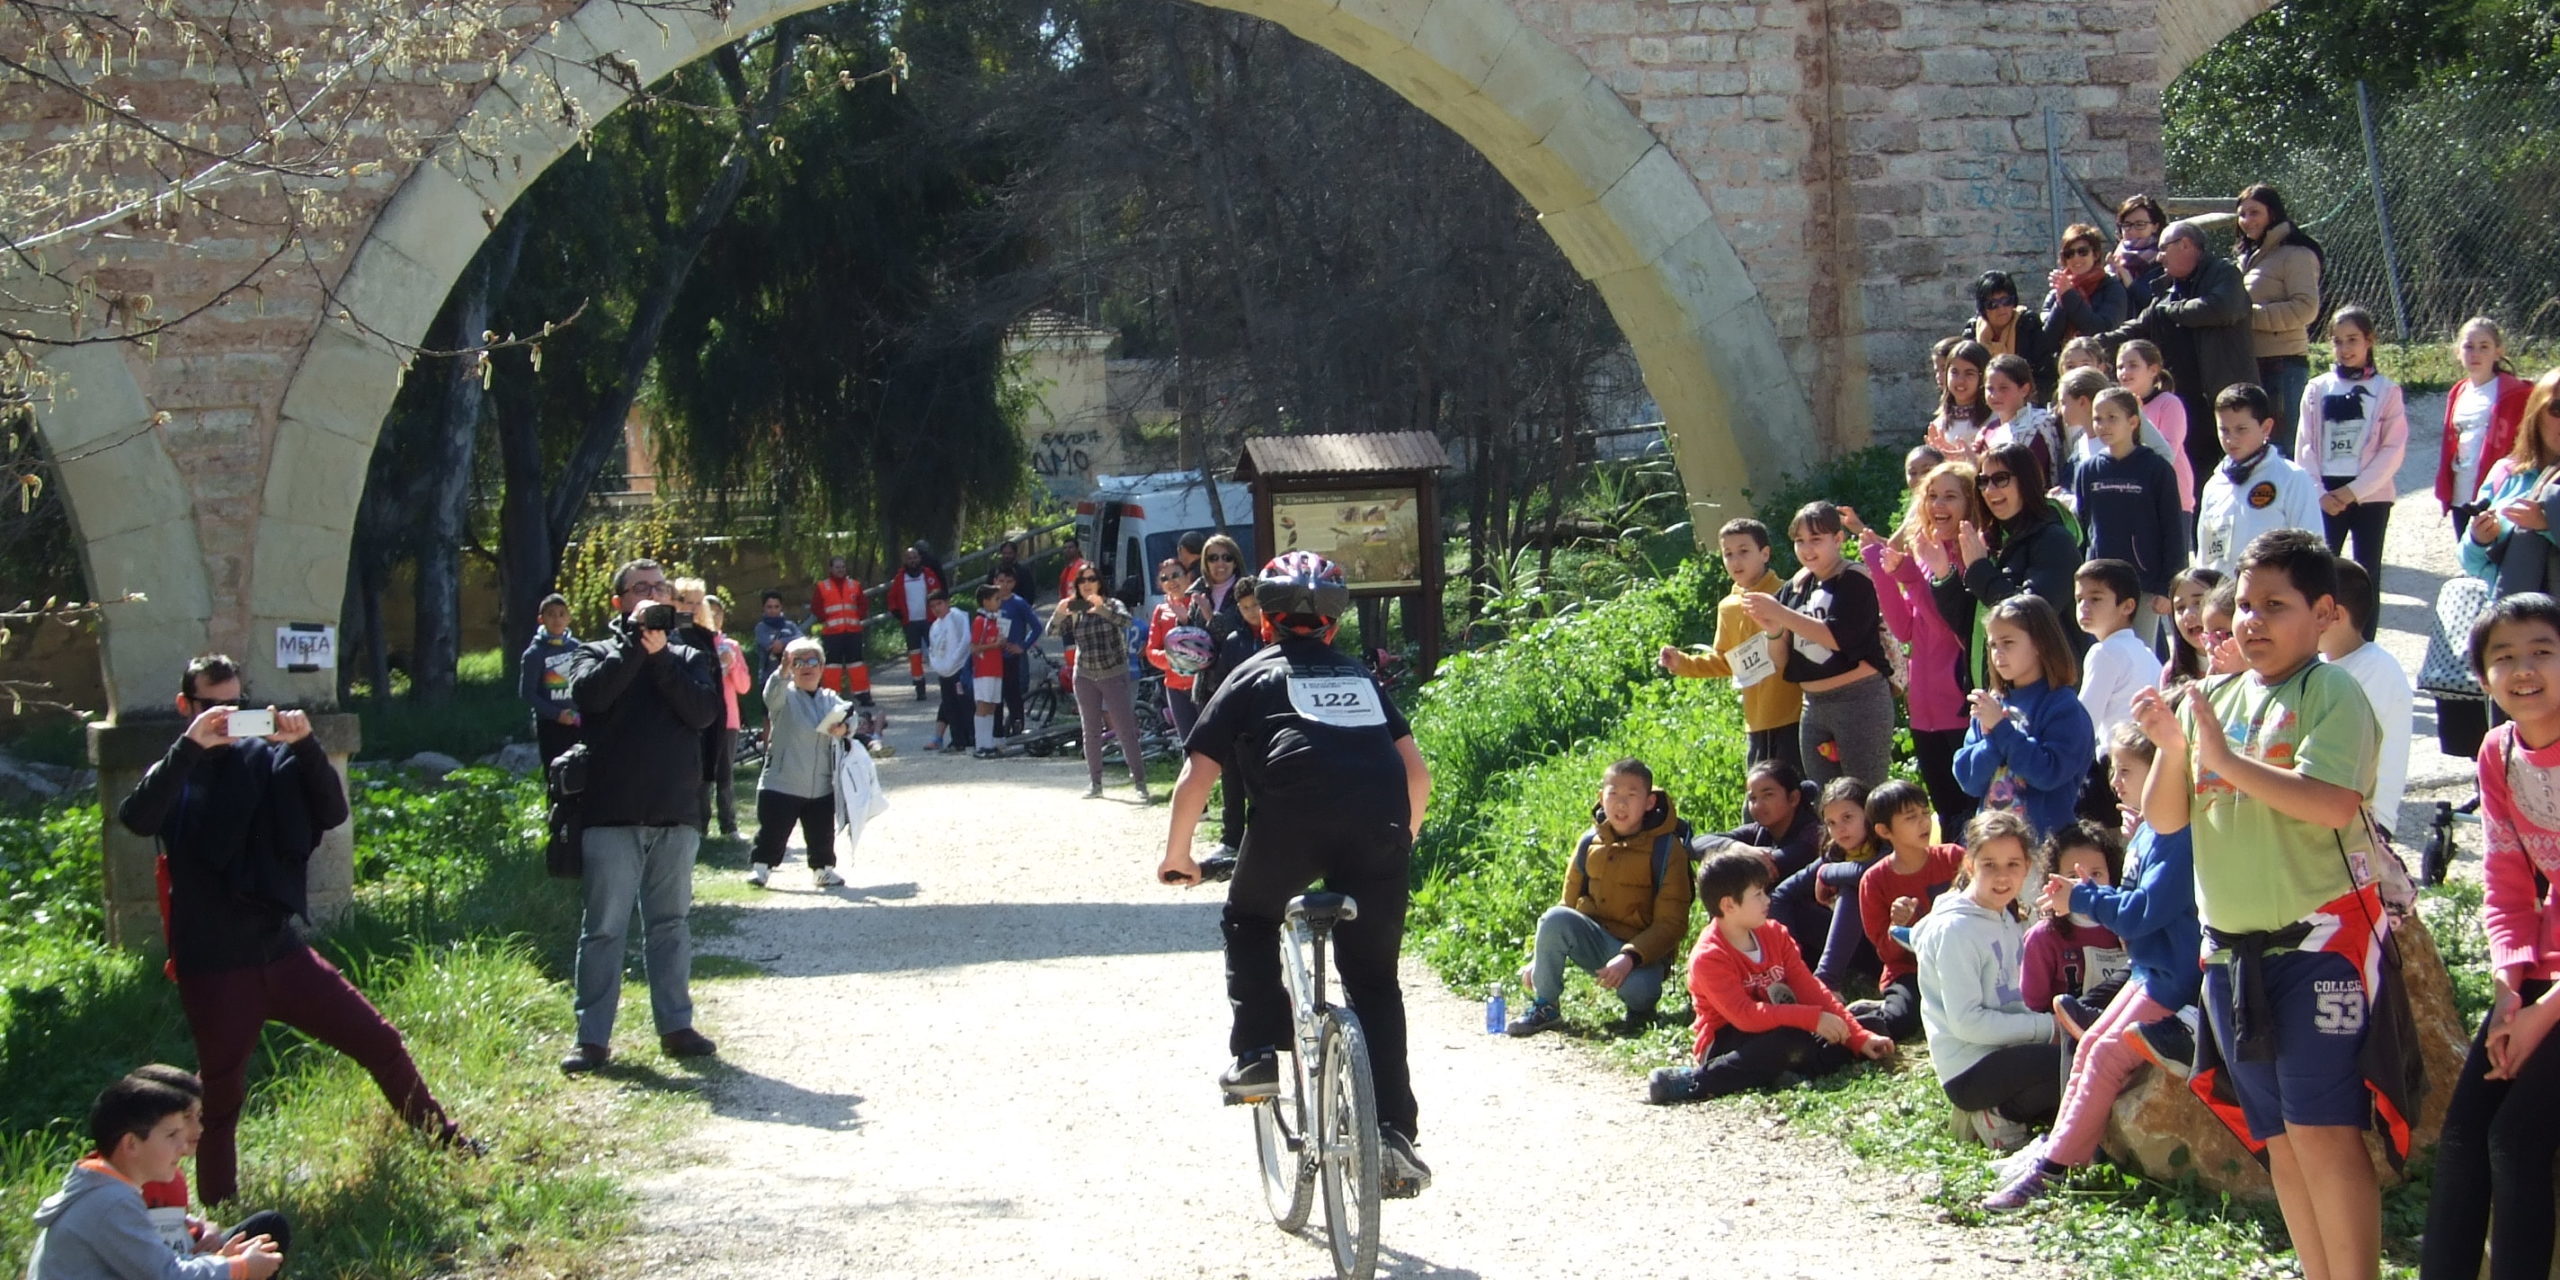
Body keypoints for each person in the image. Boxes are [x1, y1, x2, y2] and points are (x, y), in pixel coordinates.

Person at [116, 655, 471, 1204]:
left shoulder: (265, 757)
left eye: (237, 705)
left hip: (278, 949)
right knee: (221, 1095)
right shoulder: (176, 769)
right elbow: (137, 818)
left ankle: (443, 1141)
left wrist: (305, 746)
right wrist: (191, 746)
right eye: (213, 707)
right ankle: (218, 1210)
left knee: (378, 1039)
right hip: (212, 962)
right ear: (186, 707)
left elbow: (330, 811)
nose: (228, 717)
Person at [2135, 527, 2390, 1280]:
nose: (2250, 622)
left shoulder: (2331, 690)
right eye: (2243, 605)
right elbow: (2167, 817)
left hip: (2318, 949)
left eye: (2274, 606)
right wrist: (2178, 753)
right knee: (2279, 1136)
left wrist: (2223, 761)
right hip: (2231, 956)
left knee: (2323, 1131)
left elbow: (2333, 805)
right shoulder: (2210, 697)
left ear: (2323, 614)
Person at [1158, 550, 1435, 1195]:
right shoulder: (1363, 680)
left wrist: (1178, 858)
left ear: (1266, 621)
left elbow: (1197, 774)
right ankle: (1394, 1130)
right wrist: (1402, 842)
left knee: (1249, 917)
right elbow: (1415, 775)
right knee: (1374, 982)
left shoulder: (1252, 675)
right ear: (1335, 626)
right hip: (1380, 828)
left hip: (1290, 821)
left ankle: (1257, 1055)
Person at [1980, 721, 2201, 1210]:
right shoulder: (2148, 833)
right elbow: (2130, 906)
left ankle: (2054, 1171)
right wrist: (2094, 893)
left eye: (2127, 770)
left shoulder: (2178, 839)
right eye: (2114, 769)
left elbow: (2142, 913)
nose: (2115, 781)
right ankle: (2057, 1153)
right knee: (2091, 1045)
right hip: (2150, 970)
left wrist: (2084, 897)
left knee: (2104, 1055)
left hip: (2172, 978)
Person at [2423, 593, 2560, 1280]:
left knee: (2517, 1137)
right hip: (2541, 973)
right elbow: (2507, 880)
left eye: (2542, 650)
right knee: (2463, 1138)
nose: (2524, 668)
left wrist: (2542, 1015)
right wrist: (2510, 991)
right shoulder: (2498, 752)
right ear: (2480, 679)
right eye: (2503, 657)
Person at [560, 558, 721, 1074]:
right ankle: (592, 1039)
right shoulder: (594, 652)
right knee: (604, 928)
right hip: (612, 813)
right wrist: (635, 647)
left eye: (660, 587)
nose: (653, 595)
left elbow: (702, 712)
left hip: (675, 813)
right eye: (641, 588)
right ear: (619, 602)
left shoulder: (690, 653)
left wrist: (660, 660)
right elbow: (591, 697)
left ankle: (675, 1027)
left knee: (670, 925)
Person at [1646, 850, 1894, 1104]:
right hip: (1730, 1042)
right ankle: (1696, 1081)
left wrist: (1859, 1036)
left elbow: (1810, 989)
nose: (1767, 900)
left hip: (1783, 1025)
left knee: (1870, 1023)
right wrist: (1812, 1019)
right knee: (1789, 1041)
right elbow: (1746, 1016)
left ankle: (1782, 1072)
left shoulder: (1775, 934)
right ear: (1729, 905)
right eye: (1758, 894)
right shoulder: (1709, 956)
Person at [1503, 758, 1694, 1035]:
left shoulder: (1668, 850)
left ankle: (1639, 1013)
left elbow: (1672, 923)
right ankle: (1546, 1006)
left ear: (1650, 802)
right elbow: (1565, 908)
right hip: (1596, 941)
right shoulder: (1588, 843)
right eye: (1613, 793)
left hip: (1641, 956)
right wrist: (1539, 960)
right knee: (1555, 918)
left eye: (1631, 795)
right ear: (1601, 798)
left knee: (1641, 991)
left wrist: (1630, 957)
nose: (1620, 804)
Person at [26, 1076, 284, 1280]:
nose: (182, 1147)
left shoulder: (105, 1188)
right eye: (171, 1136)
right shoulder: (111, 1202)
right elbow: (166, 1275)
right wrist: (238, 1268)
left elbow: (156, 1267)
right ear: (131, 1145)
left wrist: (218, 1262)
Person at [1914, 809, 2063, 1148]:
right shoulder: (1956, 929)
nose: (2002, 876)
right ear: (1970, 866)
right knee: (2070, 1066)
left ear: (2027, 867)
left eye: (2013, 864)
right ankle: (1997, 1113)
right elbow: (1968, 1023)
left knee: (2084, 1059)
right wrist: (2047, 1028)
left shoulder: (2008, 915)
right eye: (1989, 864)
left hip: (2009, 1049)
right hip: (1970, 1068)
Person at [1859, 475, 1979, 838]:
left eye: (1950, 497)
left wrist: (1910, 578)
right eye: (1931, 496)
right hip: (1924, 711)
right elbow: (1905, 629)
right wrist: (1880, 569)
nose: (1938, 505)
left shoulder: (1969, 554)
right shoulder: (1926, 556)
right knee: (1945, 810)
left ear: (1970, 504)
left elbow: (1950, 627)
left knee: (1971, 815)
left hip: (1958, 707)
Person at [1746, 501, 1893, 786]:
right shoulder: (1795, 587)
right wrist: (1774, 630)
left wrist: (1780, 613)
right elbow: (1781, 660)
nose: (1806, 548)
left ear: (1837, 539)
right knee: (1825, 800)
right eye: (1799, 541)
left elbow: (1838, 638)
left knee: (1866, 795)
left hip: (1859, 699)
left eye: (1816, 539)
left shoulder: (1854, 578)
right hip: (1813, 705)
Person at [2098, 218, 2255, 483]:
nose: (2159, 256)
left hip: (2227, 396)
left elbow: (2220, 309)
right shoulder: (2168, 290)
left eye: (2163, 248)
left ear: (2185, 245)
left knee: (2242, 472)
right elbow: (2139, 327)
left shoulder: (2224, 273)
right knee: (2198, 475)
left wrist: (2173, 311)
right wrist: (2096, 342)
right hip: (2189, 402)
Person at [1661, 518, 1804, 775]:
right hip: (1756, 721)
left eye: (1743, 551)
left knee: (1801, 794)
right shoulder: (1728, 607)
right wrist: (1683, 663)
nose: (1735, 561)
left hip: (1796, 715)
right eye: (1728, 554)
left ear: (1765, 553)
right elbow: (1726, 661)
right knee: (1760, 802)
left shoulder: (1787, 594)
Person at [1935, 442, 2085, 675]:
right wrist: (1944, 575)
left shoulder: (2054, 540)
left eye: (2001, 479)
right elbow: (1970, 626)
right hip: (1998, 695)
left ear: (2026, 481)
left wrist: (1979, 568)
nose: (1990, 489)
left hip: (2045, 694)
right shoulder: (1994, 540)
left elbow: (2031, 618)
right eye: (1983, 481)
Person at [123, 1064, 291, 1268]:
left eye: (199, 1115)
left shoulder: (170, 1172)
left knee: (269, 1227)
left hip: (183, 1260)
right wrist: (220, 1265)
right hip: (168, 1270)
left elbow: (175, 1224)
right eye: (186, 1117)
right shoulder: (123, 1181)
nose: (199, 1128)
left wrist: (207, 1229)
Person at [1954, 595, 2094, 838]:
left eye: (2008, 642)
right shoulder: (1991, 704)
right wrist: (1990, 742)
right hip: (1992, 847)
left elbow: (2048, 773)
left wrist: (2001, 729)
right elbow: (1969, 781)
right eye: (1993, 644)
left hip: (2043, 847)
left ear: (2041, 644)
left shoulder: (2063, 707)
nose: (1998, 653)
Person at [2302, 305, 2406, 607]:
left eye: (2352, 340)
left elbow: (2392, 449)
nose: (2345, 348)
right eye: (2337, 341)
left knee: (2366, 572)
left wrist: (2353, 491)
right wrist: (2320, 492)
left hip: (2370, 495)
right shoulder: (2317, 388)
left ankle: (2364, 642)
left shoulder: (2387, 390)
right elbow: (2305, 444)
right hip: (2326, 495)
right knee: (2321, 571)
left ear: (2369, 340)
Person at [1851, 779, 1965, 1040]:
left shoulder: (1953, 857)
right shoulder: (1874, 881)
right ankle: (1857, 1024)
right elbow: (1885, 951)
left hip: (1961, 962)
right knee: (1900, 1021)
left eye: (1925, 813)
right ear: (1884, 830)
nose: (1923, 822)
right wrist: (1895, 926)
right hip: (1910, 971)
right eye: (1911, 817)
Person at [2071, 389, 2184, 643]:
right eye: (2098, 418)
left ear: (2133, 422)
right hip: (2100, 581)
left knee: (2140, 649)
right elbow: (2084, 526)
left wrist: (2167, 585)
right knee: (2105, 650)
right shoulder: (2088, 470)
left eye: (2112, 417)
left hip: (2143, 582)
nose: (2104, 425)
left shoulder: (2156, 469)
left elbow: (2173, 529)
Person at [748, 636, 853, 890]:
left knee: (821, 834)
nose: (807, 666)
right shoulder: (785, 698)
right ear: (790, 667)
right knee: (773, 832)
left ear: (822, 666)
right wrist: (781, 673)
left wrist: (846, 727)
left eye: (813, 660)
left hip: (820, 784)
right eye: (799, 661)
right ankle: (761, 869)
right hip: (782, 782)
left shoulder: (830, 698)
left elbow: (851, 715)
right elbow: (770, 696)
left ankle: (823, 870)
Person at [2320, 562, 2411, 844]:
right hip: (2330, 816)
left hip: (2364, 823)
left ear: (2334, 615)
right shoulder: (2324, 664)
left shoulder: (2375, 669)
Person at [2232, 184, 2324, 456]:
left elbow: (2306, 308)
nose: (2247, 220)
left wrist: (2249, 317)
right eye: (2242, 214)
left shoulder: (2296, 254)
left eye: (2254, 212)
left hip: (2283, 366)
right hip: (2252, 363)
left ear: (2272, 213)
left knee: (2282, 447)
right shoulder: (2248, 256)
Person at [1766, 776, 1883, 990]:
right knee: (1789, 902)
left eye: (1848, 817)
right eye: (1831, 823)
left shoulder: (1887, 843)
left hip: (1891, 945)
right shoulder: (1835, 853)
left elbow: (1870, 872)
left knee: (1851, 888)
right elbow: (1781, 895)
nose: (1840, 829)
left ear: (1868, 815)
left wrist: (1827, 873)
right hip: (1857, 947)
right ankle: (1792, 974)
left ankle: (1826, 983)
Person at [2194, 383, 2321, 576]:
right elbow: (2205, 553)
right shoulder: (2215, 484)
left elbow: (2313, 551)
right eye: (2224, 430)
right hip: (2220, 595)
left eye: (2241, 429)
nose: (2231, 439)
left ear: (2266, 427)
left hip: (2269, 596)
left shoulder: (2291, 478)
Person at [2457, 369, 2560, 598]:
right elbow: (2470, 562)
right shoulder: (2506, 472)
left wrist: (2547, 525)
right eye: (2557, 409)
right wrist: (2479, 539)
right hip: (2508, 618)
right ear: (2536, 412)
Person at [1051, 564, 1151, 799]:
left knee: (1124, 729)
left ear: (1099, 582)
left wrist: (1101, 609)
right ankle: (1095, 783)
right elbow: (1052, 631)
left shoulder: (1112, 604)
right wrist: (1058, 613)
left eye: (1092, 579)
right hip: (1085, 675)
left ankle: (1140, 782)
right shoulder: (1076, 607)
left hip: (1114, 673)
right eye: (1082, 580)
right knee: (1090, 730)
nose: (1087, 583)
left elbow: (1126, 622)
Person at [2437, 317, 2534, 539]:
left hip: (2497, 493)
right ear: (2458, 352)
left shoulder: (2516, 393)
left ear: (2498, 351)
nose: (2475, 353)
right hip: (2462, 493)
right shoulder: (2458, 392)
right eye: (2468, 346)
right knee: (2468, 559)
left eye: (2484, 346)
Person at [2019, 821, 2127, 1015]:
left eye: (2096, 873)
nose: (2085, 884)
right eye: (2072, 876)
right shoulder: (2042, 938)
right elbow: (2034, 1007)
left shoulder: (2129, 923)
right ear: (2053, 880)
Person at [2075, 559, 2157, 766]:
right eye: (2079, 599)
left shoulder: (2104, 653)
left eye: (2095, 599)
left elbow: (2083, 724)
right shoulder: (2146, 653)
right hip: (2148, 760)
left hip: (2115, 763)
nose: (2084, 607)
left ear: (2127, 606)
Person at [2117, 338, 2196, 513]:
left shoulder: (2169, 403)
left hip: (2173, 498)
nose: (2124, 372)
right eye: (2120, 367)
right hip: (2138, 498)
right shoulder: (2118, 408)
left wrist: (2139, 415)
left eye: (2133, 365)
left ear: (2153, 370)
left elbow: (2167, 454)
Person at [696, 593, 750, 839]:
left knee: (725, 775)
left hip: (728, 721)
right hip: (702, 719)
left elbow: (744, 687)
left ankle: (729, 826)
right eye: (710, 612)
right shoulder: (695, 645)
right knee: (701, 775)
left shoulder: (732, 646)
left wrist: (733, 664)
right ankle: (700, 826)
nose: (714, 617)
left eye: (718, 613)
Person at [1964, 270, 2052, 402]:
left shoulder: (2028, 325)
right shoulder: (1972, 332)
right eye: (1992, 304)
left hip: (2025, 402)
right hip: (1985, 402)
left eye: (2006, 301)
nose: (2001, 308)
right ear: (1983, 308)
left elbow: (2045, 374)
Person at [2042, 222, 2129, 351]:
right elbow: (2047, 340)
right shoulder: (2057, 292)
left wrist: (2069, 296)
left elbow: (2101, 331)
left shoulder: (2111, 287)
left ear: (2095, 254)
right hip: (2065, 364)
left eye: (2082, 252)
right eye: (2069, 254)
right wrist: (2062, 299)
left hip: (2101, 363)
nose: (2076, 258)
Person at [1143, 559, 1204, 742]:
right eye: (1165, 578)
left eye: (1176, 574)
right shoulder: (1160, 611)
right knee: (1188, 743)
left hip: (1201, 684)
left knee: (1212, 742)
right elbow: (1151, 651)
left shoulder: (1199, 602)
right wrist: (1173, 657)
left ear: (1188, 577)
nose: (1171, 581)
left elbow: (1207, 643)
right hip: (1175, 687)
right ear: (1160, 585)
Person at [519, 592, 581, 767]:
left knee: (580, 773)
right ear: (541, 619)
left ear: (569, 618)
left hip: (577, 720)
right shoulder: (535, 653)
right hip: (549, 723)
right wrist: (556, 714)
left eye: (562, 614)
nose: (557, 619)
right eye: (551, 614)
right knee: (555, 773)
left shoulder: (577, 647)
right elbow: (527, 693)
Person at [1980, 353, 2061, 483]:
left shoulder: (2040, 425)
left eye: (2003, 388)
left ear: (2024, 389)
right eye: (1990, 388)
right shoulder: (1988, 431)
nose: (1994, 395)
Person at [885, 544, 946, 702]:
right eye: (909, 558)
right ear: (905, 560)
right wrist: (895, 610)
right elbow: (892, 597)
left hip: (929, 621)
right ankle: (920, 687)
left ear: (920, 559)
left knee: (937, 651)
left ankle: (945, 681)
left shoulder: (928, 574)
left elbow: (938, 593)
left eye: (915, 557)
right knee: (914, 656)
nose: (912, 561)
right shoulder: (900, 578)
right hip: (910, 623)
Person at [809, 555, 872, 704]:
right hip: (832, 634)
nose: (840, 570)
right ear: (831, 569)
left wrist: (858, 616)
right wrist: (825, 618)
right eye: (837, 567)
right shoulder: (822, 586)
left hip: (852, 631)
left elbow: (863, 604)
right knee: (832, 667)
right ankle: (831, 698)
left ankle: (863, 695)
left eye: (843, 567)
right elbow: (816, 607)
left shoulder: (854, 585)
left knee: (857, 664)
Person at [993, 568, 1045, 738]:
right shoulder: (990, 601)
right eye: (1001, 581)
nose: (1004, 585)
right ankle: (997, 731)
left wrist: (1022, 646)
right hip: (993, 655)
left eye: (1008, 582)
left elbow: (1036, 627)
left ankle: (1017, 729)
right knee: (995, 694)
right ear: (995, 581)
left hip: (1010, 655)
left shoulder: (1018, 603)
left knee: (1012, 693)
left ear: (1014, 583)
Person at [1925, 340, 1995, 458]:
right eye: (1954, 372)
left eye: (1969, 373)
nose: (1960, 380)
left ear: (1983, 376)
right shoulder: (1939, 425)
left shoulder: (1996, 420)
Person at [2164, 566, 2228, 687]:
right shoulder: (2170, 673)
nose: (2188, 615)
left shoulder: (2249, 666)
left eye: (2199, 603)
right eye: (2180, 608)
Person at [925, 590, 972, 754]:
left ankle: (969, 739)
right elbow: (933, 649)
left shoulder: (957, 617)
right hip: (944, 673)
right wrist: (937, 665)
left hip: (959, 669)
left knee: (964, 705)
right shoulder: (935, 626)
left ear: (947, 602)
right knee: (950, 707)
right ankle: (957, 740)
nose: (937, 609)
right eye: (933, 606)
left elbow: (965, 639)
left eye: (939, 604)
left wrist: (955, 660)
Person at [2110, 193, 2170, 313]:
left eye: (2140, 225)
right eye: (2126, 225)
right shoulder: (2114, 261)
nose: (2131, 230)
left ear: (2155, 226)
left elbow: (2162, 308)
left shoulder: (2165, 261)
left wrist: (2131, 284)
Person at [968, 585, 1009, 758]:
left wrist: (1003, 643)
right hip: (983, 670)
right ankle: (980, 745)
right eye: (996, 599)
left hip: (996, 669)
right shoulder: (980, 621)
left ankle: (988, 743)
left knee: (992, 705)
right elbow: (974, 647)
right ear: (985, 601)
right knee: (983, 705)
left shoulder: (997, 620)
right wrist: (994, 645)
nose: (999, 602)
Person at [752, 590, 802, 686]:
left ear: (781, 607)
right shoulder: (760, 628)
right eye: (769, 607)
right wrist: (791, 642)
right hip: (769, 679)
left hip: (793, 677)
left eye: (776, 607)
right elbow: (772, 647)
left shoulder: (790, 626)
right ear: (764, 608)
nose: (773, 610)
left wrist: (783, 642)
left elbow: (802, 640)